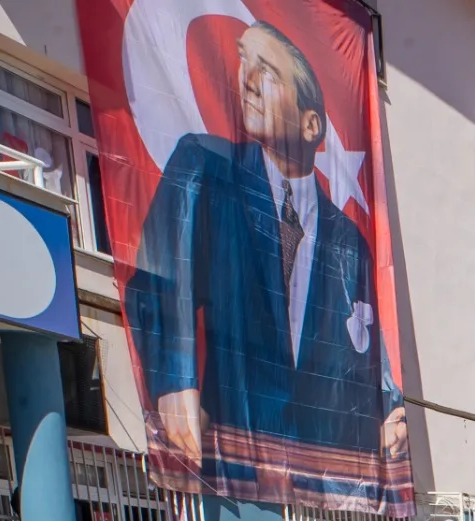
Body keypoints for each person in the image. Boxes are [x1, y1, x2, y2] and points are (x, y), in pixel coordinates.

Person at [127, 21, 406, 489]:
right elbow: (160, 274)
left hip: (322, 474)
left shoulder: (347, 240)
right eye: (243, 60)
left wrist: (387, 407)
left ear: (311, 124)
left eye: (268, 72)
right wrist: (173, 378)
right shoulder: (207, 168)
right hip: (233, 456)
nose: (247, 79)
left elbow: (364, 345)